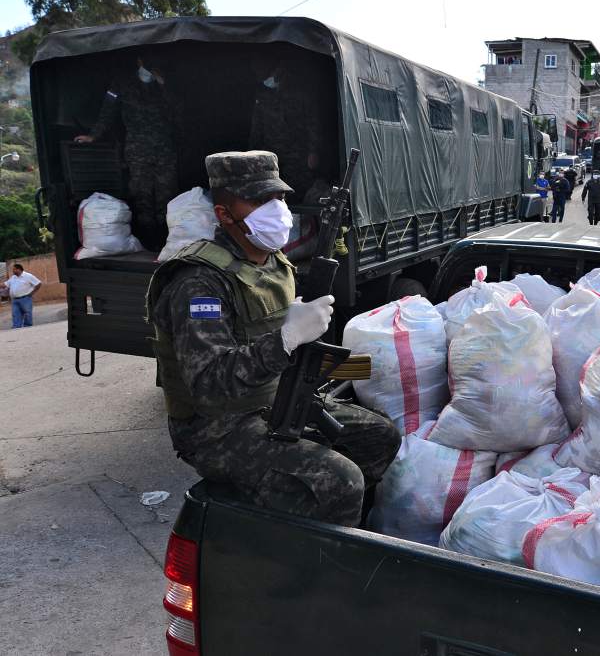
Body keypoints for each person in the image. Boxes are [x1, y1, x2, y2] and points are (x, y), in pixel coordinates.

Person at [145, 150, 400, 527]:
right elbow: (211, 384)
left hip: (276, 397)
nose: (276, 208)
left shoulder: (274, 262)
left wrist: (319, 344)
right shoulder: (199, 283)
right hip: (217, 427)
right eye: (259, 200)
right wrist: (286, 338)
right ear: (225, 215)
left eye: (278, 197)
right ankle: (314, 556)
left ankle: (331, 522)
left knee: (381, 435)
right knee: (342, 481)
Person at [75, 55, 177, 251]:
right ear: (139, 61)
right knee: (142, 198)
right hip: (138, 151)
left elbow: (178, 110)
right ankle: (149, 243)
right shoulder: (122, 83)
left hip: (165, 150)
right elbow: (108, 111)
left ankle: (168, 243)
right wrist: (94, 136)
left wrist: (163, 84)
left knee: (167, 196)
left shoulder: (164, 85)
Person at [249, 62, 326, 201]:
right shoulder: (263, 96)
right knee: (272, 190)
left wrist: (313, 151)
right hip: (271, 153)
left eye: (274, 74)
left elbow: (312, 124)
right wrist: (253, 152)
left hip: (297, 153)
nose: (270, 78)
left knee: (296, 190)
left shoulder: (300, 94)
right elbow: (257, 128)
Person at [1, 263, 42, 329]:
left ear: (19, 269)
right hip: (15, 300)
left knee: (27, 313)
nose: (13, 271)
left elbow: (38, 283)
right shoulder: (13, 277)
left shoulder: (28, 276)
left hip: (25, 298)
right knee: (15, 314)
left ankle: (27, 327)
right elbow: (5, 285)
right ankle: (16, 327)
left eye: (14, 269)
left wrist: (32, 293)